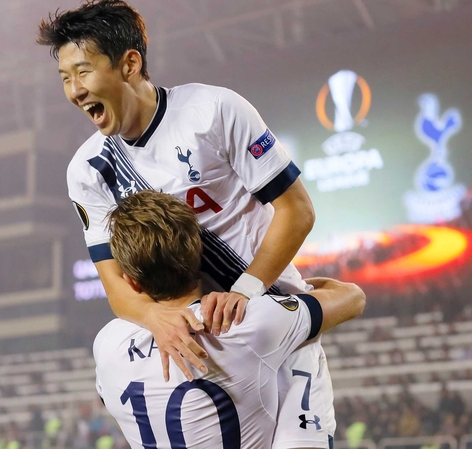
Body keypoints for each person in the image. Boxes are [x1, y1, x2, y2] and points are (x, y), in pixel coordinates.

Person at [37, 1, 332, 447]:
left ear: (129, 63)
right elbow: (114, 282)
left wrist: (245, 292)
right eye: (65, 78)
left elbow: (297, 210)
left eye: (83, 72)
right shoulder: (89, 170)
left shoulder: (213, 110)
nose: (75, 90)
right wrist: (154, 317)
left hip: (274, 323)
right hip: (192, 343)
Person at [93, 191, 365, 448]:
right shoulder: (245, 321)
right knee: (302, 348)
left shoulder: (107, 345)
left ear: (131, 282)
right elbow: (352, 298)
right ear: (199, 256)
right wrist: (273, 292)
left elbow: (109, 398)